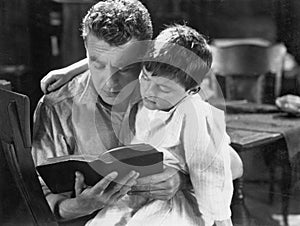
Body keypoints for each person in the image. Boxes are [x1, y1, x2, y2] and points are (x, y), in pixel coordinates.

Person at [32, 0, 185, 221]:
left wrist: (181, 179)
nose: (110, 84)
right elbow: (35, 197)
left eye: (126, 68)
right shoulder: (58, 105)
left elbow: (226, 160)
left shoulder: (167, 87)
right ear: (87, 53)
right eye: (97, 64)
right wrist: (77, 207)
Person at [82, 24, 233, 226]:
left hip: (171, 200)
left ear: (193, 90)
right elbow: (110, 59)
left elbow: (210, 173)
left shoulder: (195, 114)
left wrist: (222, 220)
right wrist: (67, 73)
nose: (149, 91)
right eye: (145, 78)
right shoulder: (147, 99)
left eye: (163, 88)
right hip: (135, 194)